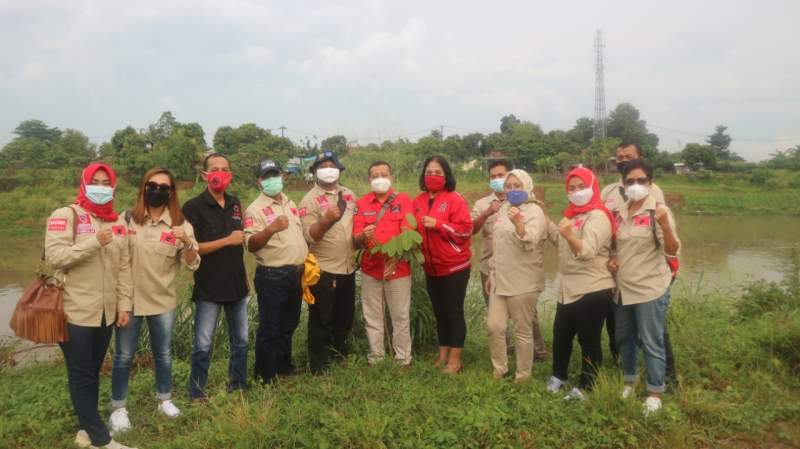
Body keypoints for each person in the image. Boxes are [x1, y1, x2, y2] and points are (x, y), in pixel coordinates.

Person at [45, 163, 136, 449]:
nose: (100, 186)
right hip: (74, 310)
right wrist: (93, 242)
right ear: (84, 184)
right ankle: (100, 439)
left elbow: (123, 267)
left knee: (91, 371)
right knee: (81, 372)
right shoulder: (66, 215)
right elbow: (56, 257)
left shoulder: (117, 223)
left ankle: (85, 431)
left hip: (105, 313)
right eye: (94, 181)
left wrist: (124, 306)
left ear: (113, 188)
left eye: (105, 182)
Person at [110, 168, 200, 433]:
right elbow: (113, 256)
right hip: (129, 302)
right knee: (123, 356)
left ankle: (165, 399)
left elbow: (193, 264)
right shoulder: (127, 219)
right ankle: (118, 408)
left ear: (171, 192)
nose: (157, 191)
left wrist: (187, 245)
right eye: (152, 185)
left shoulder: (180, 224)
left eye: (164, 187)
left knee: (163, 354)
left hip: (162, 301)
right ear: (143, 187)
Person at [608, 159, 680, 414]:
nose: (636, 185)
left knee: (652, 341)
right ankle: (629, 380)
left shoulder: (657, 212)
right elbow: (617, 247)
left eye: (641, 181)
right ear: (623, 184)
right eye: (630, 181)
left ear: (650, 183)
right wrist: (613, 259)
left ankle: (654, 392)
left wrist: (664, 226)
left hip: (650, 288)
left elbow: (672, 251)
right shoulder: (620, 212)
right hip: (623, 288)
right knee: (624, 338)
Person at [182, 153, 249, 401]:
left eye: (225, 169)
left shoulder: (234, 203)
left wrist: (244, 278)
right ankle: (197, 392)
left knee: (241, 341)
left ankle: (239, 385)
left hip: (237, 286)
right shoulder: (192, 207)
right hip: (209, 288)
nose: (220, 173)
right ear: (204, 175)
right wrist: (227, 240)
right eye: (214, 169)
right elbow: (193, 247)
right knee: (203, 345)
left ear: (230, 174)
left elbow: (239, 245)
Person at [546, 167, 616, 400]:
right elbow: (560, 242)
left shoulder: (599, 215)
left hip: (593, 287)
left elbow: (586, 251)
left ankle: (587, 386)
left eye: (581, 187)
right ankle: (559, 375)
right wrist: (542, 216)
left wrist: (568, 235)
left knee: (589, 340)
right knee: (561, 334)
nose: (577, 192)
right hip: (567, 287)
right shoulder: (572, 216)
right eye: (572, 188)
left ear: (592, 187)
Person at [472, 159, 548, 361]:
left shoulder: (532, 207)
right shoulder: (484, 204)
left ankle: (537, 352)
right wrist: (489, 211)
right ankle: (504, 353)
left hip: (520, 271)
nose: (499, 181)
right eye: (494, 177)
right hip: (491, 266)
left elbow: (532, 237)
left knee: (526, 317)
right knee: (496, 320)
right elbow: (472, 230)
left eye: (502, 176)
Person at [244, 159, 308, 384]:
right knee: (270, 327)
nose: (272, 180)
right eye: (266, 176)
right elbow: (251, 244)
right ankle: (265, 376)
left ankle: (284, 368)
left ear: (283, 176)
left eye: (275, 174)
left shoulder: (289, 202)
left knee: (289, 324)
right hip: (272, 275)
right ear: (259, 182)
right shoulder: (255, 209)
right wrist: (271, 229)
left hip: (295, 273)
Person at [413, 155, 473, 374]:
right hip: (431, 267)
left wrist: (439, 224)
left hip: (454, 267)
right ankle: (443, 355)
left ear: (446, 175)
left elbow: (466, 230)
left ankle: (456, 360)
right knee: (439, 312)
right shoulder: (418, 201)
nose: (433, 176)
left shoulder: (455, 199)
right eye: (429, 172)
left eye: (438, 172)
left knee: (453, 312)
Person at [299, 151, 357, 374]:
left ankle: (339, 355)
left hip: (348, 267)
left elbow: (356, 226)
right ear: (314, 171)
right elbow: (309, 236)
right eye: (322, 165)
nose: (328, 168)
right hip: (323, 270)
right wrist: (326, 220)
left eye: (332, 165)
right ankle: (318, 365)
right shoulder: (309, 200)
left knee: (344, 316)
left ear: (339, 170)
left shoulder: (349, 195)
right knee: (321, 319)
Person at [353, 161, 415, 366]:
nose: (380, 178)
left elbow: (409, 232)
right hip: (371, 270)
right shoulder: (361, 204)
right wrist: (363, 235)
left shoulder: (404, 200)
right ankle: (376, 357)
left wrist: (395, 258)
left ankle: (403, 359)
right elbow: (356, 237)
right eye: (375, 175)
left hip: (399, 270)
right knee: (372, 317)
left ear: (392, 177)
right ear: (369, 179)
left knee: (400, 316)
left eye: (384, 174)